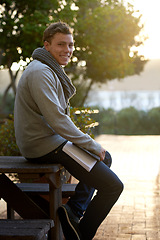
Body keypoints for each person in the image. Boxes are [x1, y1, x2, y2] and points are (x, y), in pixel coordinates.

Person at [14, 21, 123, 240]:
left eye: (70, 45)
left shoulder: (49, 70)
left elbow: (58, 120)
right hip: (43, 145)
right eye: (61, 45)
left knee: (105, 158)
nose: (68, 50)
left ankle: (74, 210)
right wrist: (91, 144)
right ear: (46, 45)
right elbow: (57, 120)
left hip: (49, 141)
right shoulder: (40, 72)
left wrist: (90, 146)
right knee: (113, 186)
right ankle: (81, 233)